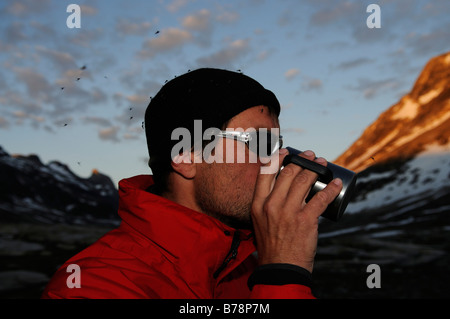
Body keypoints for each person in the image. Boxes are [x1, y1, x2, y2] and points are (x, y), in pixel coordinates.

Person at [41, 68, 342, 299]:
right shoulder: (97, 285)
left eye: (277, 146)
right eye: (259, 142)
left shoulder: (242, 269)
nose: (277, 161)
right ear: (186, 156)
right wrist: (282, 277)